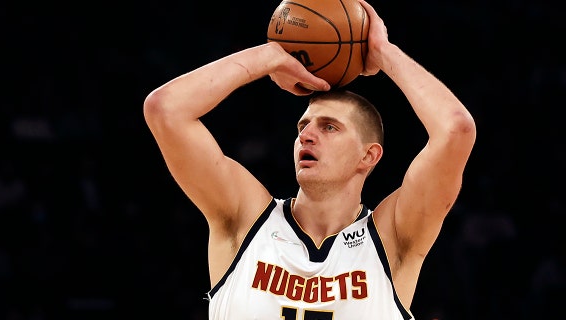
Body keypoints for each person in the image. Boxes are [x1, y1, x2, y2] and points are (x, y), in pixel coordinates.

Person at [143, 0, 476, 318]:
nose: (307, 135)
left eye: (330, 127)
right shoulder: (244, 218)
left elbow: (456, 130)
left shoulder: (394, 238)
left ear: (368, 156)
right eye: (303, 126)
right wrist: (269, 57)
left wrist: (382, 52)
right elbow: (166, 109)